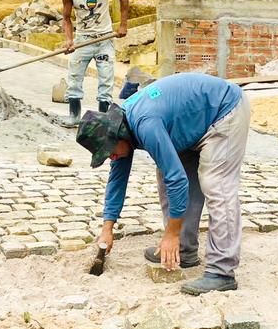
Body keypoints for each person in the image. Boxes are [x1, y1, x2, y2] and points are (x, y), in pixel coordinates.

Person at [75, 73, 251, 295]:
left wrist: (171, 234)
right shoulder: (120, 126)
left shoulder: (145, 124)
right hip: (190, 123)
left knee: (217, 185)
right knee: (165, 173)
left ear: (116, 138)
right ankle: (184, 252)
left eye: (109, 153)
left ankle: (222, 272)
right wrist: (107, 228)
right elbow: (117, 180)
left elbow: (177, 179)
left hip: (224, 111)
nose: (111, 158)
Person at [59, 0, 129, 127]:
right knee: (74, 75)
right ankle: (74, 115)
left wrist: (123, 25)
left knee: (106, 78)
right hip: (83, 39)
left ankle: (102, 118)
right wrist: (69, 40)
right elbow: (66, 18)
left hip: (105, 38)